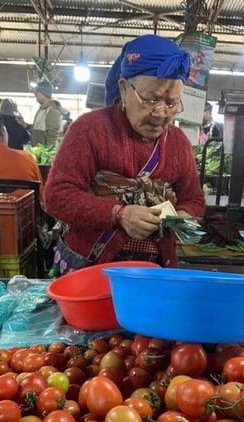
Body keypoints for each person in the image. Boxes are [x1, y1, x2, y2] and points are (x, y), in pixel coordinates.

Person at [44, 34, 206, 276]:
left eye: (171, 103)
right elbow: (56, 195)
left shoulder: (178, 142)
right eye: (151, 99)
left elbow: (193, 199)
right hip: (91, 266)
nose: (161, 113)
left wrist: (182, 218)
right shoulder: (89, 129)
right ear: (124, 88)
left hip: (155, 269)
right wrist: (118, 214)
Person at [28, 81, 63, 147]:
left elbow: (53, 138)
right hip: (39, 154)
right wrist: (25, 125)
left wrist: (48, 156)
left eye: (36, 92)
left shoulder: (52, 111)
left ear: (43, 93)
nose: (35, 95)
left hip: (45, 155)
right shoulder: (41, 110)